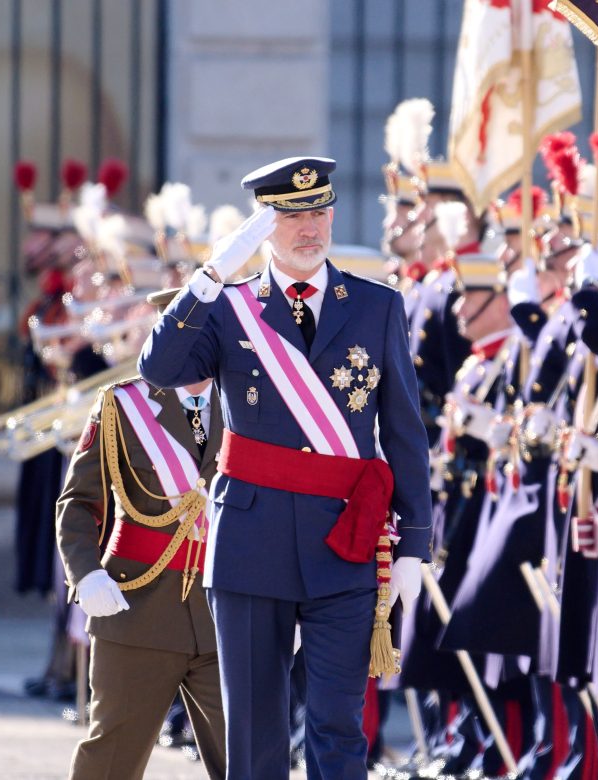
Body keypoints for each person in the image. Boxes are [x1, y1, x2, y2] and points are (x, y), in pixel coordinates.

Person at [137, 156, 432, 778]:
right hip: (251, 538)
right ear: (263, 226)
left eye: (320, 211)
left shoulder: (377, 306)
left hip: (345, 541)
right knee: (254, 731)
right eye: (292, 215)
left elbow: (404, 430)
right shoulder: (227, 307)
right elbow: (158, 370)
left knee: (336, 726)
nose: (310, 228)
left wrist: (415, 543)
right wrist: (212, 273)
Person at [55, 286, 225, 779]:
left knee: (250, 758)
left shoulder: (252, 408)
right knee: (111, 759)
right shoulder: (122, 406)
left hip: (226, 615)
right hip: (136, 609)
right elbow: (78, 503)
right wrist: (86, 575)